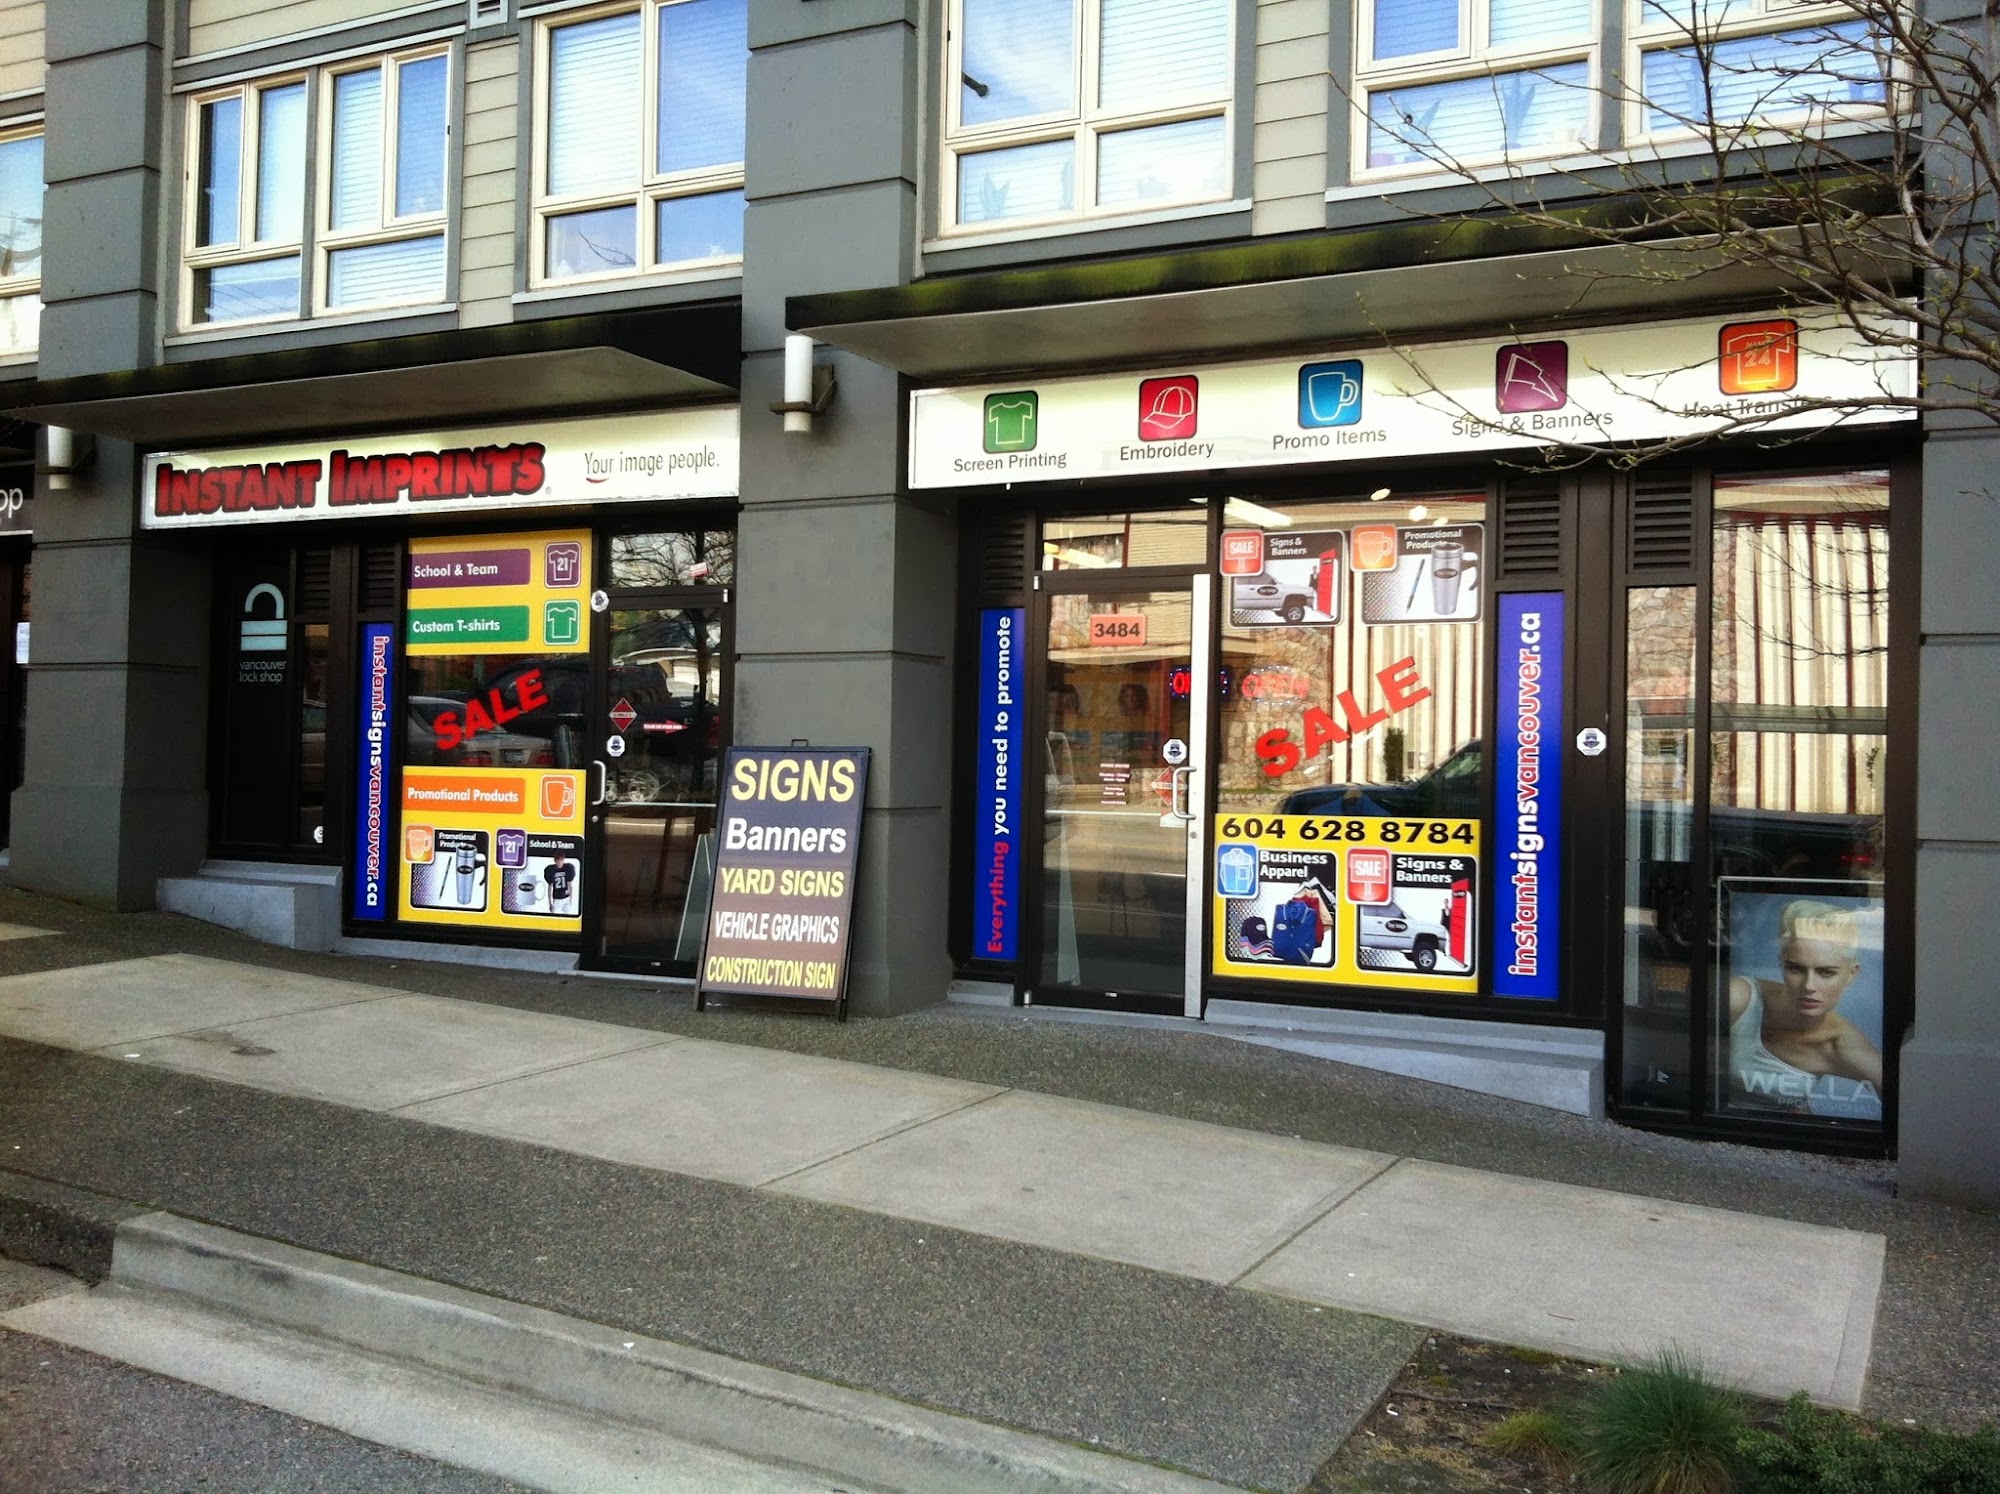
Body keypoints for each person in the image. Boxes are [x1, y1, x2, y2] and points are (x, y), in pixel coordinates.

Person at [1726, 899, 1882, 1117]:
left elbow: (1910, 1108)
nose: (1809, 986)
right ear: (1781, 963)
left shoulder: (1841, 1045)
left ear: (1851, 974)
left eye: (1826, 972)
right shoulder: (1739, 998)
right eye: (1796, 969)